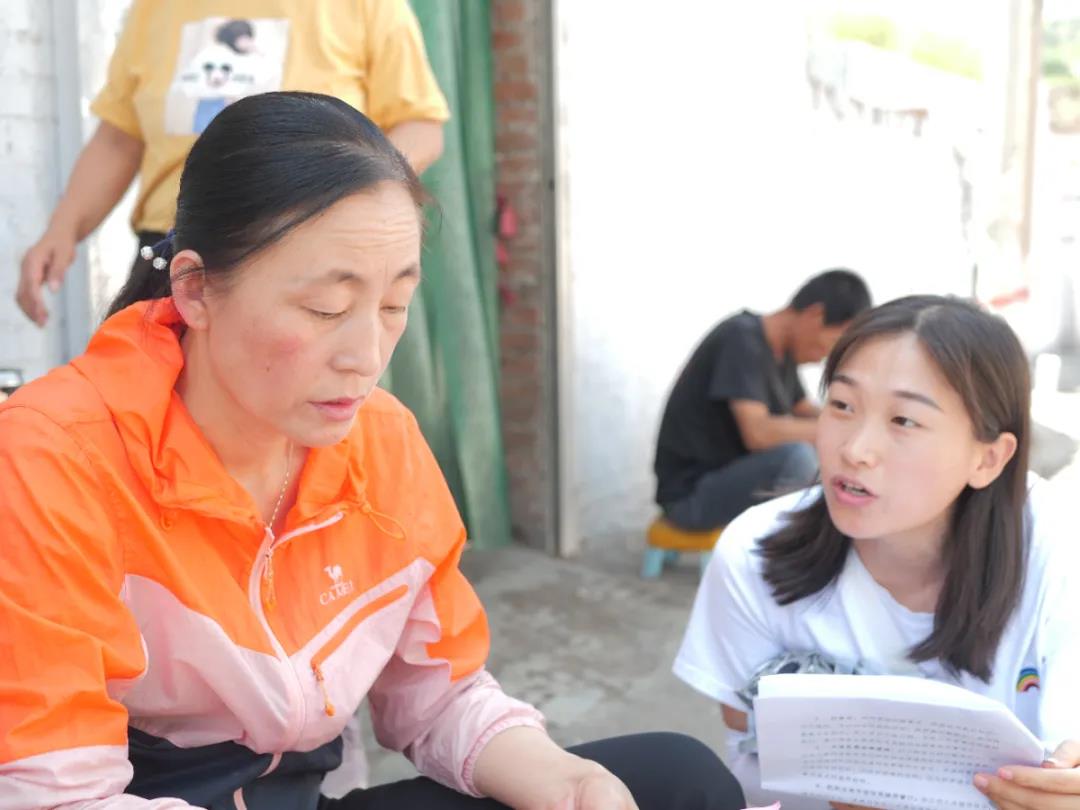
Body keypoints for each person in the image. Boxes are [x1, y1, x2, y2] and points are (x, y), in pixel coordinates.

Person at [0, 91, 746, 810]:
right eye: (325, 308)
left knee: (675, 779)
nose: (366, 356)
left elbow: (441, 692)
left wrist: (562, 783)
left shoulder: (380, 439)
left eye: (393, 306)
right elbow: (57, 793)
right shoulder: (52, 456)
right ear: (195, 291)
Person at [672, 295, 1080, 809]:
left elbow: (1067, 758)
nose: (855, 450)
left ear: (989, 458)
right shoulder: (755, 553)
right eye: (842, 405)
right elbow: (747, 744)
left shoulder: (1059, 553)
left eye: (904, 420)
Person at [17, 0, 450, 328]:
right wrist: (63, 228)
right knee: (139, 406)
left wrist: (341, 198)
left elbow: (421, 126)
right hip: (169, 250)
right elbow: (118, 139)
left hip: (305, 250)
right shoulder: (154, 8)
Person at [653, 270, 872, 532]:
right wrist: (840, 428)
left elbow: (807, 411)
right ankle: (797, 549)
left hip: (730, 481)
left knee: (826, 453)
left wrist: (857, 419)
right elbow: (758, 433)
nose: (826, 357)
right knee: (797, 457)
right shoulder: (741, 338)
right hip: (690, 496)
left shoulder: (784, 355)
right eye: (834, 342)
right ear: (815, 315)